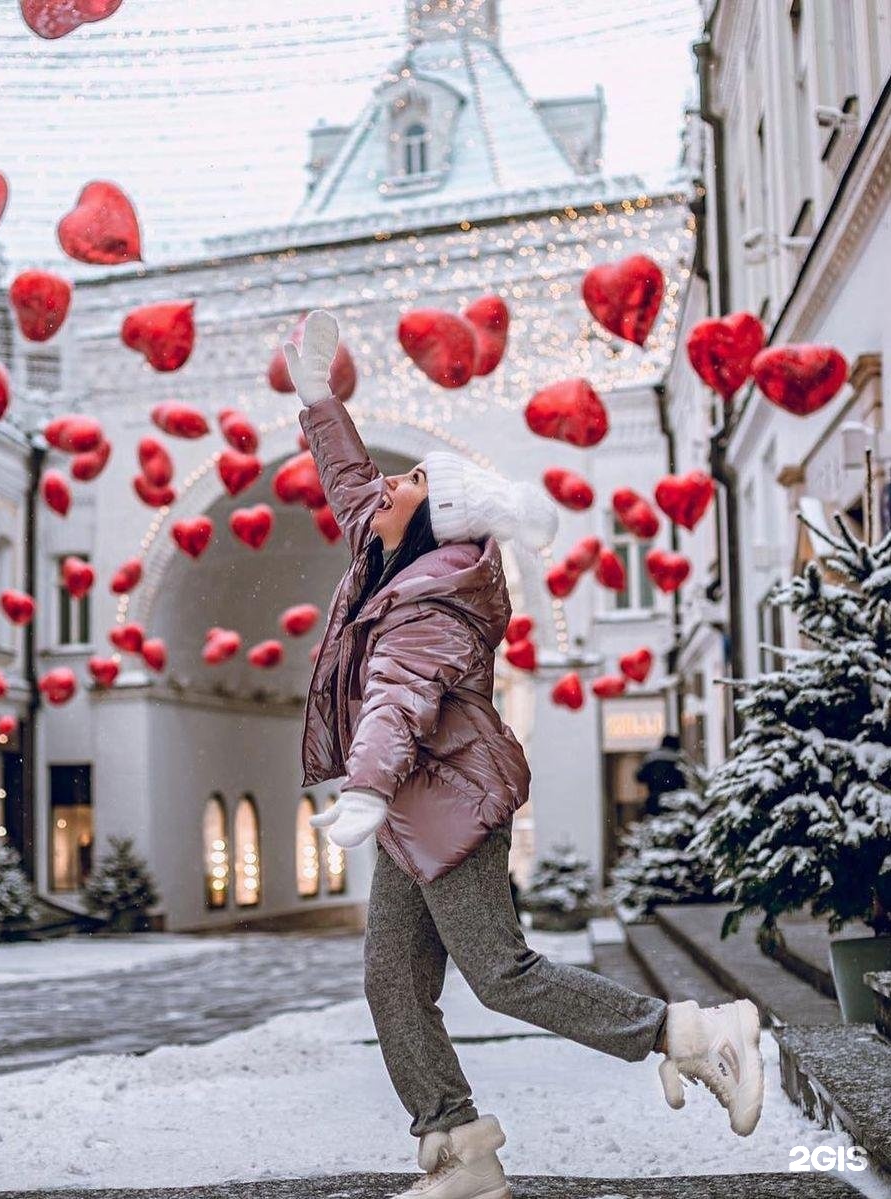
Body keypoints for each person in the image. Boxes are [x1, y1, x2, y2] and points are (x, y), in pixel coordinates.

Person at [284, 311, 763, 1199]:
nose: (393, 481)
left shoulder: (434, 603)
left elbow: (395, 697)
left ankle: (692, 1034)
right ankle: (460, 1149)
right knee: (393, 981)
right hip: (409, 810)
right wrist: (319, 396)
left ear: (434, 518)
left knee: (501, 973)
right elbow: (350, 481)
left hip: (450, 806)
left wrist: (364, 786)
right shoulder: (387, 552)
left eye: (416, 479)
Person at [636, 733, 689, 817]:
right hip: (676, 799)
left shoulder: (651, 758)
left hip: (655, 799)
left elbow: (639, 777)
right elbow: (688, 779)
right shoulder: (680, 759)